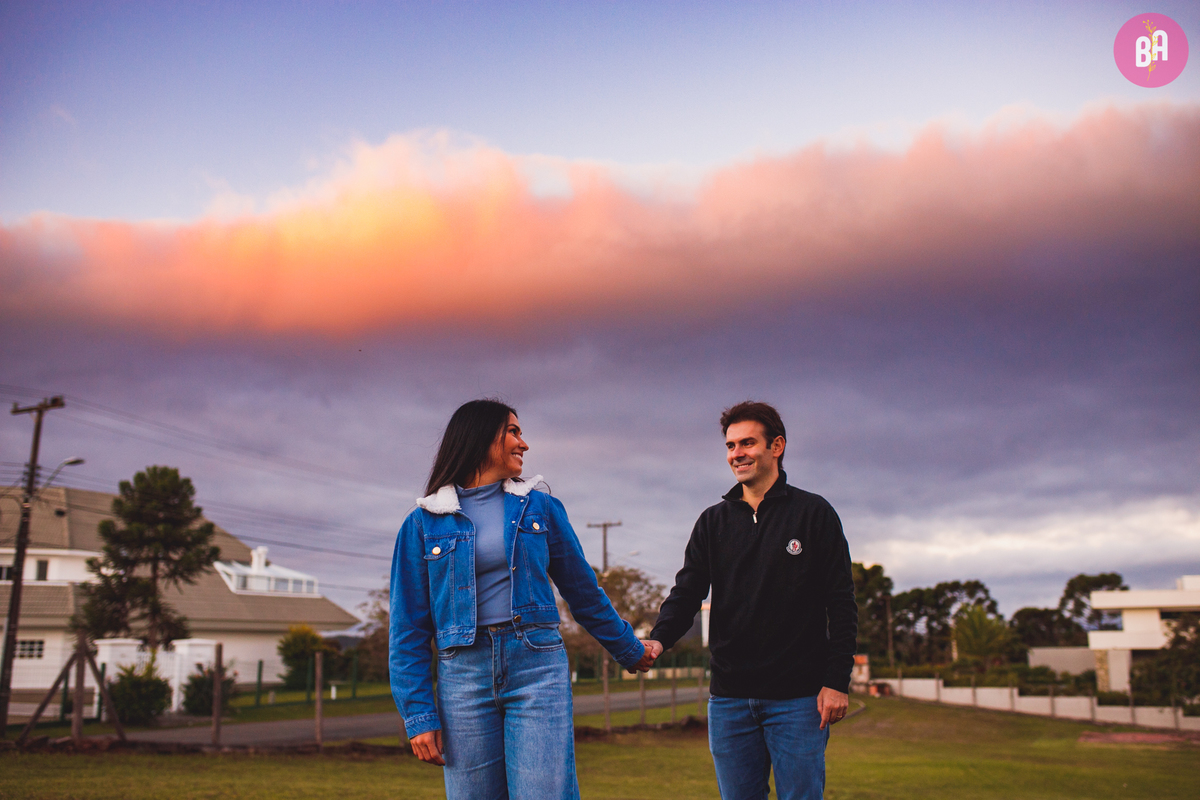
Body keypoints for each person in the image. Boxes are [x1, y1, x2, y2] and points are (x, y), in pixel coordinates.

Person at [390, 399, 654, 799]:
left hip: (537, 666)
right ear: (481, 438)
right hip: (462, 676)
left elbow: (583, 591)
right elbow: (407, 628)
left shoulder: (540, 508)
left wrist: (629, 649)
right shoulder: (422, 523)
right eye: (513, 431)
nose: (524, 443)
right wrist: (418, 714)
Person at [640, 401, 857, 800]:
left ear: (777, 446)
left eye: (747, 443)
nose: (736, 453)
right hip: (730, 701)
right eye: (730, 445)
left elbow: (841, 603)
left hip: (798, 701)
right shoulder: (712, 522)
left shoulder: (814, 513)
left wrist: (836, 682)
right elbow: (687, 592)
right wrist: (658, 639)